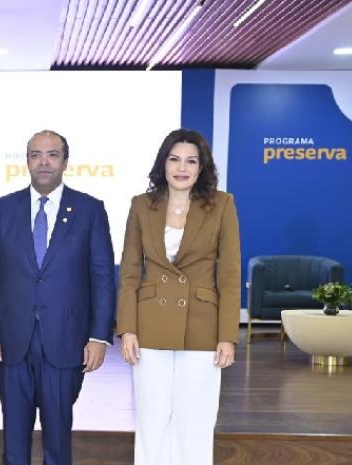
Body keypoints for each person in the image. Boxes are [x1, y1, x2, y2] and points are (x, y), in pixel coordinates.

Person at [0, 130, 115, 465]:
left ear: (66, 161)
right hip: (11, 342)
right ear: (26, 162)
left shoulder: (90, 210)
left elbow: (102, 278)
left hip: (66, 341)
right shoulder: (2, 209)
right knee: (14, 441)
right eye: (35, 154)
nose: (44, 161)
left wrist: (99, 336)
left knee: (58, 439)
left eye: (52, 154)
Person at [116, 128, 240, 465]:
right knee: (151, 421)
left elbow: (229, 277)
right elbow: (129, 272)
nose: (181, 168)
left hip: (202, 327)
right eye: (174, 159)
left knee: (195, 424)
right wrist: (127, 328)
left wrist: (227, 336)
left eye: (190, 161)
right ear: (163, 164)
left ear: (202, 168)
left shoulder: (222, 205)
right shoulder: (141, 205)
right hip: (149, 325)